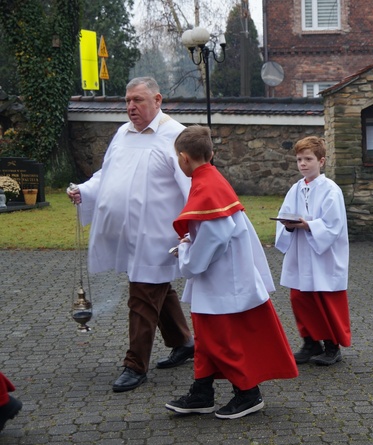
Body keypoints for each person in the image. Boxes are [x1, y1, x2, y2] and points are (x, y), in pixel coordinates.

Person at [67, 77, 195, 392]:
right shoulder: (123, 134)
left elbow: (193, 186)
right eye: (127, 101)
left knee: (142, 295)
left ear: (157, 99)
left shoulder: (176, 136)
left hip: (158, 236)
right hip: (127, 233)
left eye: (137, 100)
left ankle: (135, 364)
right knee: (155, 290)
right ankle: (183, 341)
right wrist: (84, 191)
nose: (130, 107)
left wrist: (193, 229)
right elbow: (107, 175)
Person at [164, 126, 298, 419]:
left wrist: (187, 255)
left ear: (184, 158)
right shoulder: (210, 179)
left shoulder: (206, 185)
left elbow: (216, 232)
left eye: (178, 158)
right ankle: (202, 392)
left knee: (221, 341)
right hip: (221, 278)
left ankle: (248, 394)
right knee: (206, 340)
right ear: (211, 153)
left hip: (222, 281)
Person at [275, 136, 351, 366]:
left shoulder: (330, 190)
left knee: (324, 299)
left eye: (308, 159)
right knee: (300, 298)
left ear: (322, 161)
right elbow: (285, 214)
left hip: (323, 255)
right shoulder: (295, 189)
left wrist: (309, 225)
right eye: (299, 159)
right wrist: (287, 224)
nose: (303, 164)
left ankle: (331, 345)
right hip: (301, 252)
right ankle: (310, 343)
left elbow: (333, 224)